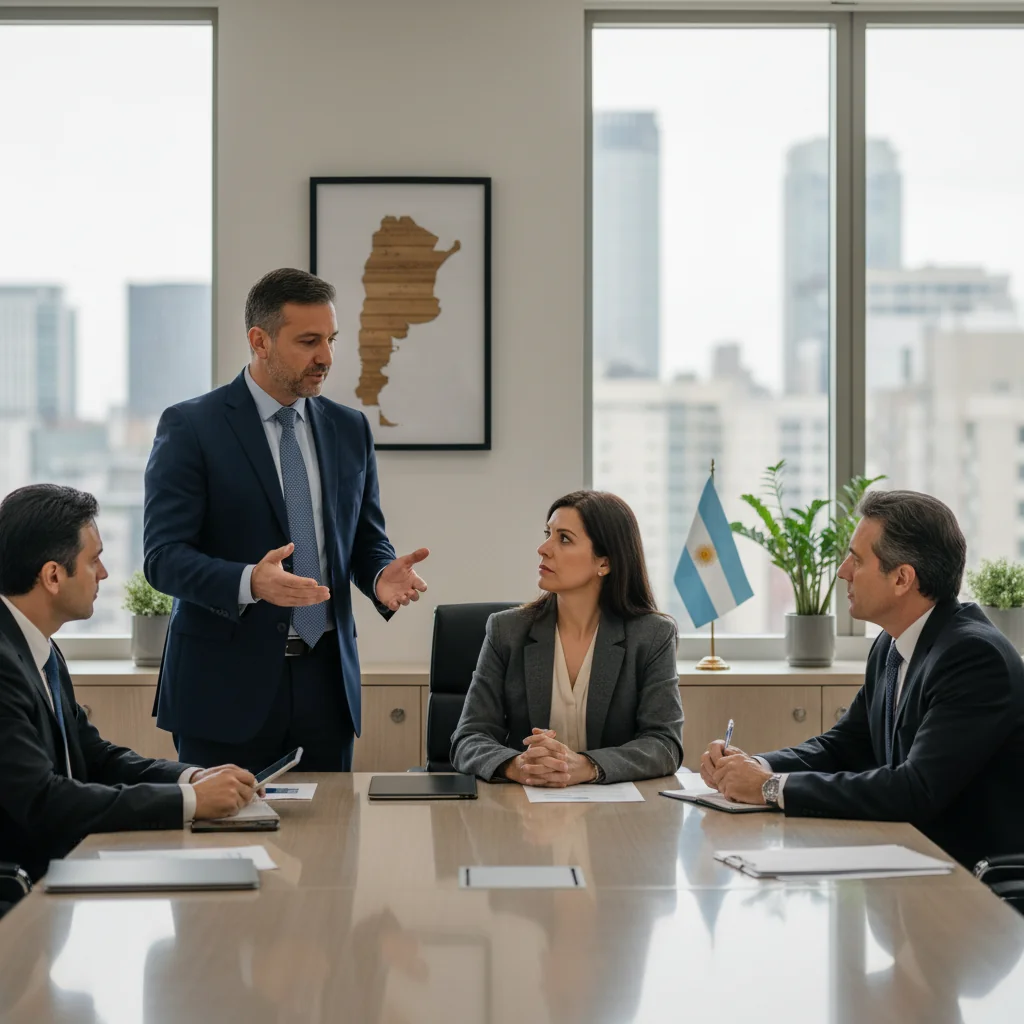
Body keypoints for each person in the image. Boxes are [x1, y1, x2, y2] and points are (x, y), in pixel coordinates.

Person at [144, 268, 429, 772]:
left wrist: (381, 574)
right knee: (228, 845)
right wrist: (250, 582)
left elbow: (364, 539)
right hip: (223, 692)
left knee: (333, 845)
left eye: (331, 340)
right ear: (260, 341)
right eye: (308, 341)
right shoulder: (191, 426)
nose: (326, 357)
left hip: (327, 688)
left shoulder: (349, 428)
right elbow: (163, 559)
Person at [700, 489, 1024, 868]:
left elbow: (915, 790)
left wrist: (769, 790)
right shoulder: (891, 643)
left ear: (902, 578)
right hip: (908, 857)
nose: (842, 572)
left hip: (973, 886)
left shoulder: (972, 657)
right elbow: (845, 746)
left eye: (856, 560)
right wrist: (756, 767)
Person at [0, 485, 257, 881]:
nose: (103, 573)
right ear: (53, 575)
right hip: (25, 891)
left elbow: (94, 757)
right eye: (94, 560)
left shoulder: (37, 646)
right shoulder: (3, 664)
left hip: (63, 867)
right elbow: (43, 800)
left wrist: (189, 778)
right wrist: (189, 801)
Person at [451, 490, 683, 785]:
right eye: (547, 533)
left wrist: (586, 766)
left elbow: (664, 745)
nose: (543, 548)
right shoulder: (506, 631)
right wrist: (517, 765)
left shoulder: (651, 635)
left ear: (604, 563)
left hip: (617, 817)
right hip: (524, 809)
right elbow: (468, 738)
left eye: (564, 538)